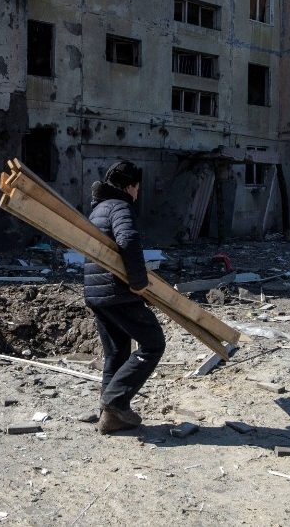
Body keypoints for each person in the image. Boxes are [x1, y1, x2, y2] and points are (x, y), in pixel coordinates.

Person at [84, 160, 166, 434]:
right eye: (137, 187)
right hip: (117, 292)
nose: (138, 193)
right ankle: (114, 402)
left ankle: (109, 416)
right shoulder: (120, 207)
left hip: (97, 293)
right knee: (153, 343)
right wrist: (139, 283)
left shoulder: (98, 210)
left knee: (117, 353)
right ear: (130, 186)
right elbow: (128, 240)